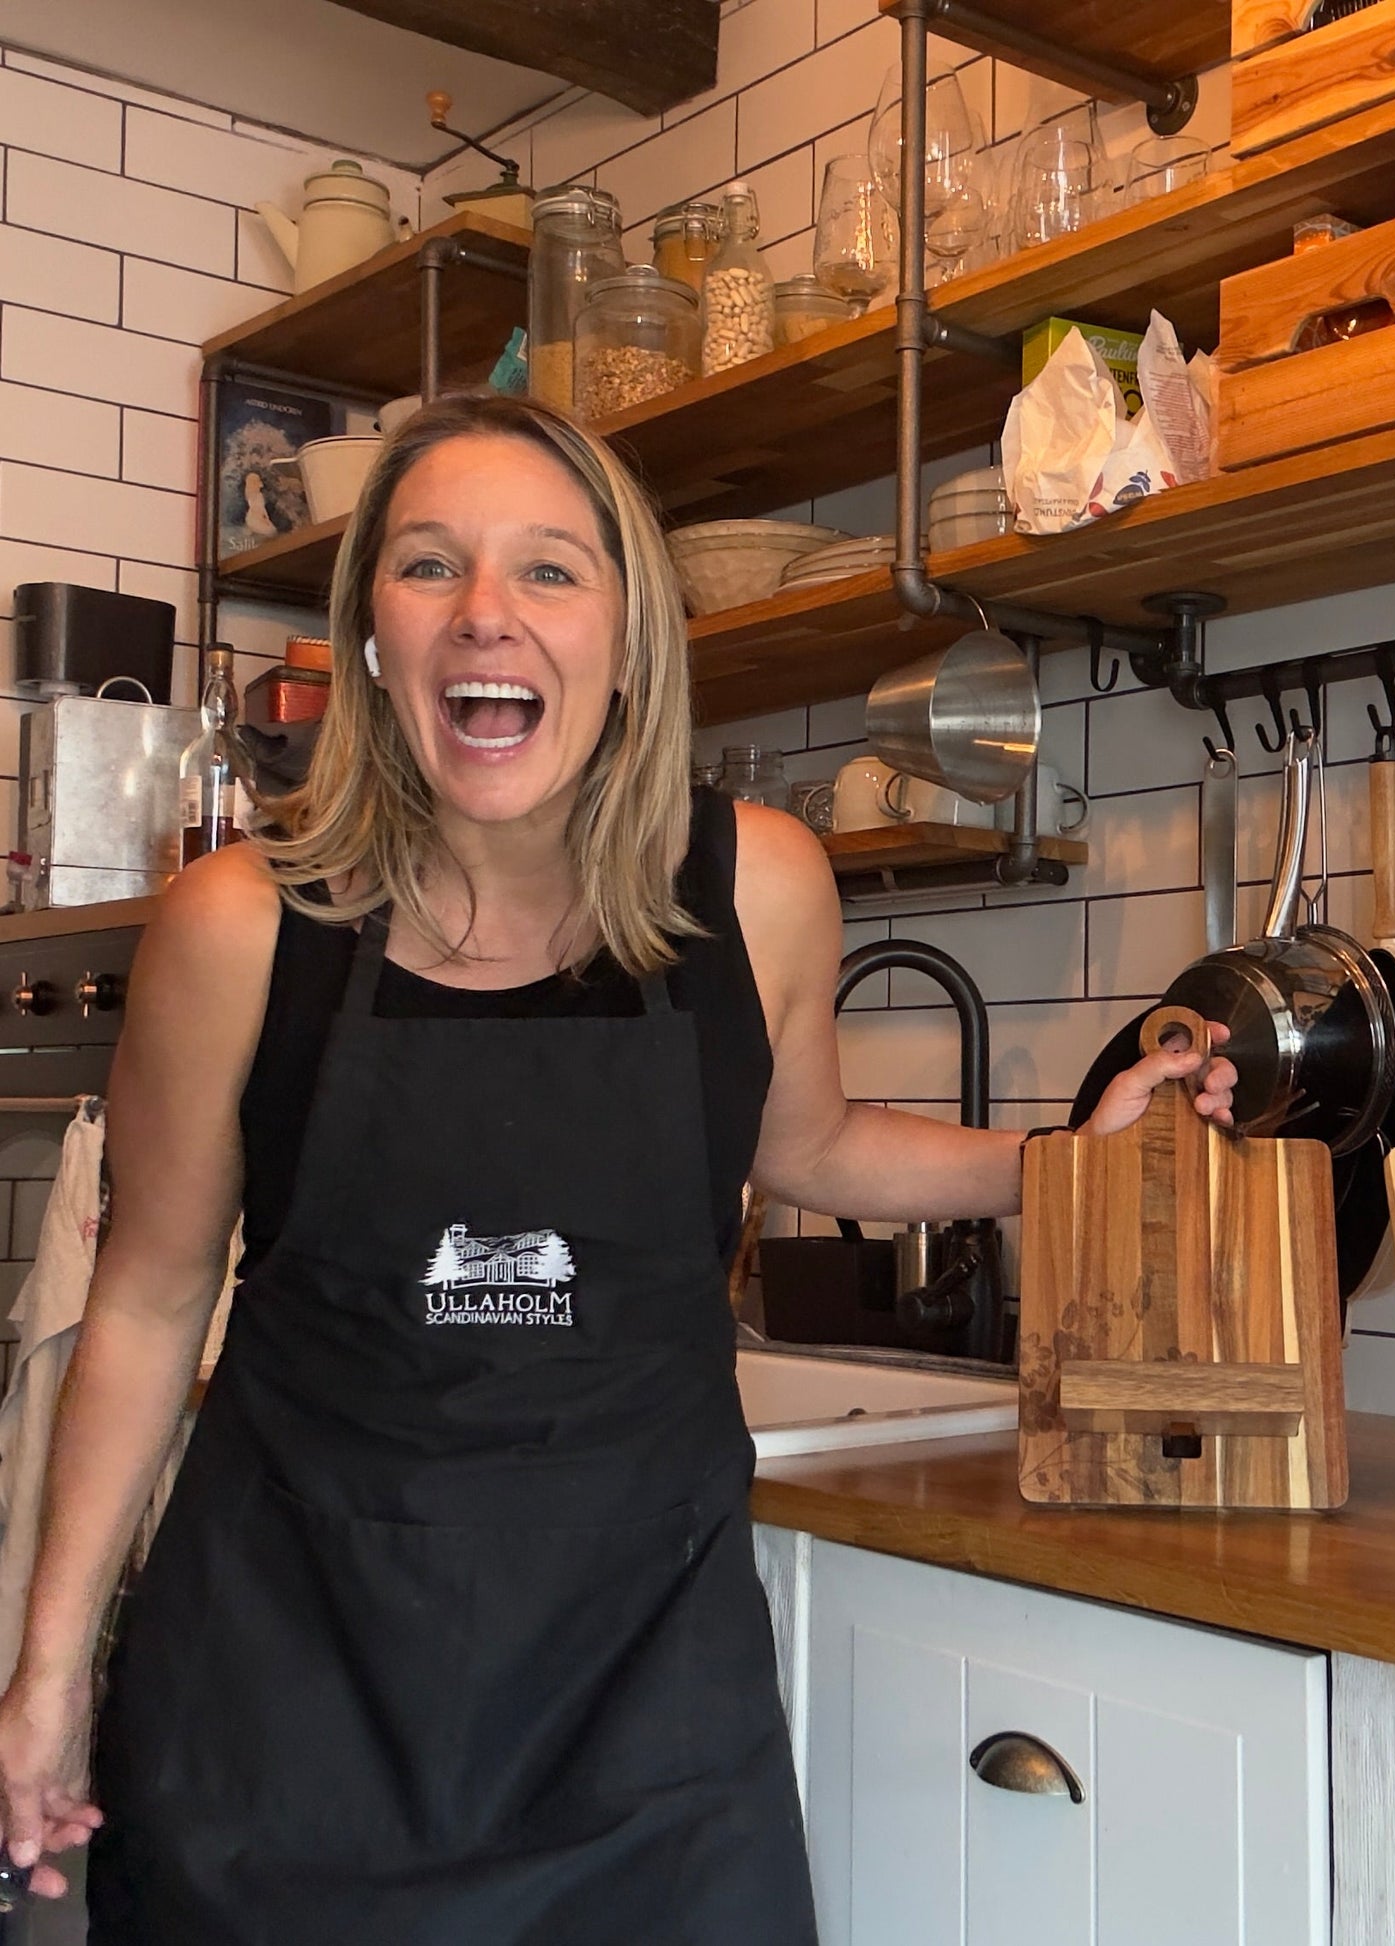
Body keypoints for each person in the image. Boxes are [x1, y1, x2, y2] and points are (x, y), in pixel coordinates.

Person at [0, 392, 1235, 1941]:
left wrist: (1057, 1161)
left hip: (642, 1714)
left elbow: (810, 1144)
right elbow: (144, 1301)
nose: (485, 617)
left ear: (630, 636)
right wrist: (46, 1675)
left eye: (550, 571)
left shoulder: (758, 887)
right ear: (371, 633)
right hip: (286, 1703)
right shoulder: (241, 925)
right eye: (430, 566)